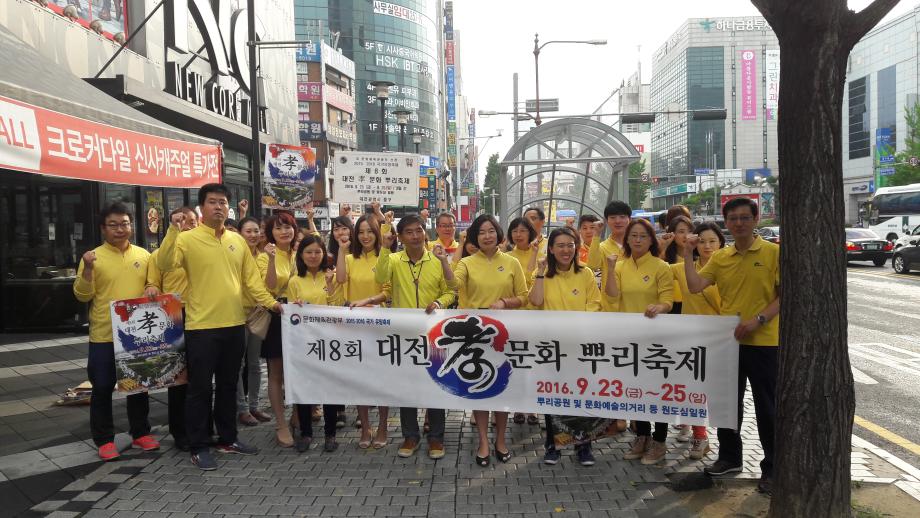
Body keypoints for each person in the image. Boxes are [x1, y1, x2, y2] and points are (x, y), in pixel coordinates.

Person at [157, 184, 281, 471]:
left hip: (235, 325)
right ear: (202, 207)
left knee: (227, 385)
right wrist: (172, 230)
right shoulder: (187, 239)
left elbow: (252, 281)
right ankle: (199, 445)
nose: (219, 207)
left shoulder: (237, 241)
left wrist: (274, 305)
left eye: (223, 202)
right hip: (201, 327)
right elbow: (165, 263)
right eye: (212, 202)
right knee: (200, 389)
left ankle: (228, 437)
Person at [682, 197, 780, 495]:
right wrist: (687, 254)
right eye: (733, 218)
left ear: (755, 218)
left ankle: (773, 467)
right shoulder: (721, 258)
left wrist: (759, 320)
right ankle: (729, 457)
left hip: (765, 341)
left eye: (744, 217)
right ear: (726, 221)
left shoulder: (773, 252)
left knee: (768, 407)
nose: (738, 223)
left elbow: (784, 294)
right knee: (727, 405)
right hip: (729, 341)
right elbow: (696, 285)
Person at [73, 202, 160, 461]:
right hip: (104, 334)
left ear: (131, 226)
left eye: (124, 223)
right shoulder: (92, 257)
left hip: (136, 335)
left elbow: (152, 282)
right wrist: (88, 269)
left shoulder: (144, 256)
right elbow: (81, 295)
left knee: (138, 386)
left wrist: (151, 288)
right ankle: (104, 440)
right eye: (113, 225)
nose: (120, 229)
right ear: (103, 229)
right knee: (102, 387)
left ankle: (140, 433)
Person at [375, 214, 456, 460]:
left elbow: (451, 291)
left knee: (435, 382)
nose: (415, 236)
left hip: (433, 333)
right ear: (401, 237)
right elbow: (379, 278)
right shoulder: (394, 259)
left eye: (419, 230)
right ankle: (410, 435)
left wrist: (438, 302)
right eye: (408, 232)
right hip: (405, 333)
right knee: (407, 387)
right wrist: (384, 247)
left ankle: (436, 438)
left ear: (426, 233)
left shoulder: (437, 258)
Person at [455, 214, 529, 467]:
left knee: (501, 387)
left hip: (504, 334)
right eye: (482, 232)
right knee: (479, 389)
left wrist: (504, 302)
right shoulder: (466, 262)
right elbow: (452, 284)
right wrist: (446, 261)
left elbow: (524, 296)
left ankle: (500, 439)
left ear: (498, 235)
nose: (487, 236)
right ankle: (483, 441)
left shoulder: (512, 262)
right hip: (474, 335)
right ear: (474, 237)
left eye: (491, 231)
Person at [528, 227, 602, 467]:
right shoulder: (541, 274)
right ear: (550, 249)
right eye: (560, 245)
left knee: (581, 396)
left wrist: (576, 326)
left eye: (570, 245)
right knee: (553, 398)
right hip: (551, 348)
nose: (566, 250)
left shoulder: (586, 273)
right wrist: (539, 273)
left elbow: (595, 305)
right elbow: (536, 301)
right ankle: (554, 445)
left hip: (579, 346)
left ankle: (583, 446)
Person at [604, 218, 674, 466]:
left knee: (657, 390)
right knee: (636, 389)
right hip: (629, 338)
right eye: (633, 235)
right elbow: (612, 296)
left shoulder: (661, 266)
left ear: (651, 239)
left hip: (655, 338)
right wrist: (611, 270)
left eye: (642, 236)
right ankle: (642, 436)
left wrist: (661, 306)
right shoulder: (620, 266)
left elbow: (669, 299)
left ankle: (660, 440)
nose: (637, 240)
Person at [336, 214, 392, 449]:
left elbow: (387, 291)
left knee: (381, 379)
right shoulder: (349, 258)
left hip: (379, 323)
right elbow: (340, 280)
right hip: (354, 324)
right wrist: (341, 250)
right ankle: (366, 426)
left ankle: (382, 426)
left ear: (378, 233)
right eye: (361, 231)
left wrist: (367, 301)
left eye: (370, 231)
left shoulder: (386, 257)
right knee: (359, 378)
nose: (365, 236)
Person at [671, 221, 725, 460]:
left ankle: (723, 441)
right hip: (690, 339)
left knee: (715, 393)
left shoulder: (730, 267)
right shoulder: (684, 267)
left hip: (720, 339)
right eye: (701, 241)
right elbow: (657, 270)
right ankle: (700, 436)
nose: (707, 246)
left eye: (712, 240)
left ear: (721, 242)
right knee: (693, 390)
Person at [146, 207, 198, 451]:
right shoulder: (159, 255)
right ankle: (180, 432)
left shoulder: (203, 250)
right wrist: (152, 288)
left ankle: (202, 427)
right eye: (181, 221)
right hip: (174, 317)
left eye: (191, 220)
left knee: (200, 378)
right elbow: (152, 282)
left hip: (202, 316)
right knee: (178, 379)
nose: (187, 224)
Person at [288, 234, 345, 453]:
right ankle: (306, 433)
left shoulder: (331, 276)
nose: (313, 256)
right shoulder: (294, 281)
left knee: (329, 388)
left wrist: (330, 286)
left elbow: (338, 306)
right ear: (301, 255)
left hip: (329, 341)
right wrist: (296, 305)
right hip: (304, 342)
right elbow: (290, 311)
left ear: (324, 255)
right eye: (309, 252)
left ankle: (330, 434)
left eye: (317, 252)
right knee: (305, 388)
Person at [256, 212, 299, 447]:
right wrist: (271, 259)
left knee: (300, 368)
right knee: (276, 372)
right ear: (271, 233)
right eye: (279, 228)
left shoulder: (299, 252)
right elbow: (269, 286)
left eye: (289, 227)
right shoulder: (265, 256)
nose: (285, 231)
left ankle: (297, 416)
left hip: (300, 315)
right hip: (276, 314)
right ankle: (281, 423)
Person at [505, 216, 541, 426]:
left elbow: (532, 279)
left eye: (523, 231)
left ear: (530, 233)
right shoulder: (508, 256)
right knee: (517, 362)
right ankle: (518, 406)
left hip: (535, 316)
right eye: (515, 231)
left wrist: (535, 253)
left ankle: (533, 407)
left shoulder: (542, 255)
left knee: (534, 364)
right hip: (514, 316)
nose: (518, 235)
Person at [236, 217, 271, 427]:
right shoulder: (234, 255)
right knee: (238, 365)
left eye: (256, 230)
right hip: (237, 315)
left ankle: (255, 405)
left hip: (259, 313)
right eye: (248, 231)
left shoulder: (265, 257)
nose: (252, 235)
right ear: (239, 234)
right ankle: (242, 408)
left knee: (255, 363)